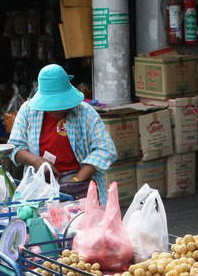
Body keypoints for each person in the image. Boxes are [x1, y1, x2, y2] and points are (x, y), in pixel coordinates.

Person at [8, 64, 117, 202]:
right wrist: (37, 161)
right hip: (40, 184)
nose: (56, 110)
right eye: (50, 106)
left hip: (80, 184)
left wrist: (76, 179)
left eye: (61, 104)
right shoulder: (28, 111)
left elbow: (105, 150)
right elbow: (14, 147)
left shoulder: (86, 112)